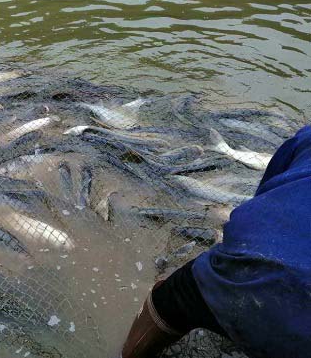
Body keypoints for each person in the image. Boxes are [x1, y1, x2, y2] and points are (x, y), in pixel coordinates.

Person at [121, 125, 311, 358]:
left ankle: (131, 353)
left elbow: (265, 200)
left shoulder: (306, 135)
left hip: (247, 269)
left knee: (171, 298)